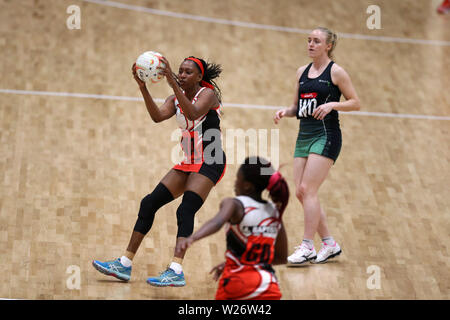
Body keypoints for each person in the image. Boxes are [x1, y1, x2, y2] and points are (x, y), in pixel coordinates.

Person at [92, 55, 226, 287]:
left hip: (210, 161)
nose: (182, 75)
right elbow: (157, 117)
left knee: (185, 210)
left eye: (187, 72)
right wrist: (143, 88)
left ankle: (176, 270)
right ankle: (124, 264)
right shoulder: (174, 99)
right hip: (189, 161)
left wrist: (173, 83)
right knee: (148, 203)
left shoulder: (208, 95)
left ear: (200, 76)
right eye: (180, 71)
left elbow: (194, 113)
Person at [274, 27, 360, 265]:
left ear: (328, 46)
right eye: (309, 40)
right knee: (303, 193)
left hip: (327, 135)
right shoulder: (302, 72)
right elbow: (296, 107)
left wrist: (333, 105)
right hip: (304, 135)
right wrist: (285, 112)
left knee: (308, 190)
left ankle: (307, 246)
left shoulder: (337, 72)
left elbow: (356, 102)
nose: (311, 44)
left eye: (316, 41)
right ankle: (330, 244)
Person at [176, 156, 289, 300]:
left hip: (237, 286)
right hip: (269, 288)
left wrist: (192, 238)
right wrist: (237, 260)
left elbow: (217, 222)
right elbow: (281, 257)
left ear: (247, 185)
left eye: (238, 179)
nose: (235, 183)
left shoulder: (235, 204)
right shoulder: (274, 212)